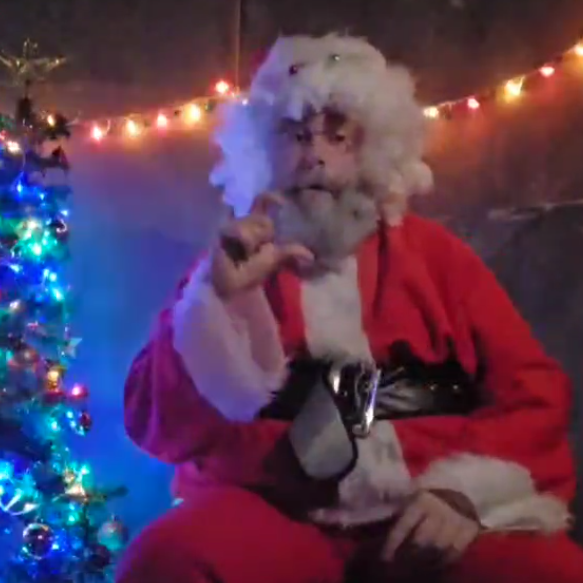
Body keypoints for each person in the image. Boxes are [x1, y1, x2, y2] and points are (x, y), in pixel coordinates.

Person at [116, 34, 583, 583]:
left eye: (338, 136)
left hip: (423, 507)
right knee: (169, 559)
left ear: (374, 150)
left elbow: (533, 394)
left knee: (547, 573)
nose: (314, 154)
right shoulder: (232, 262)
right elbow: (156, 422)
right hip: (274, 509)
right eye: (295, 135)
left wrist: (464, 492)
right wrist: (214, 300)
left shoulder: (440, 259)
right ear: (266, 151)